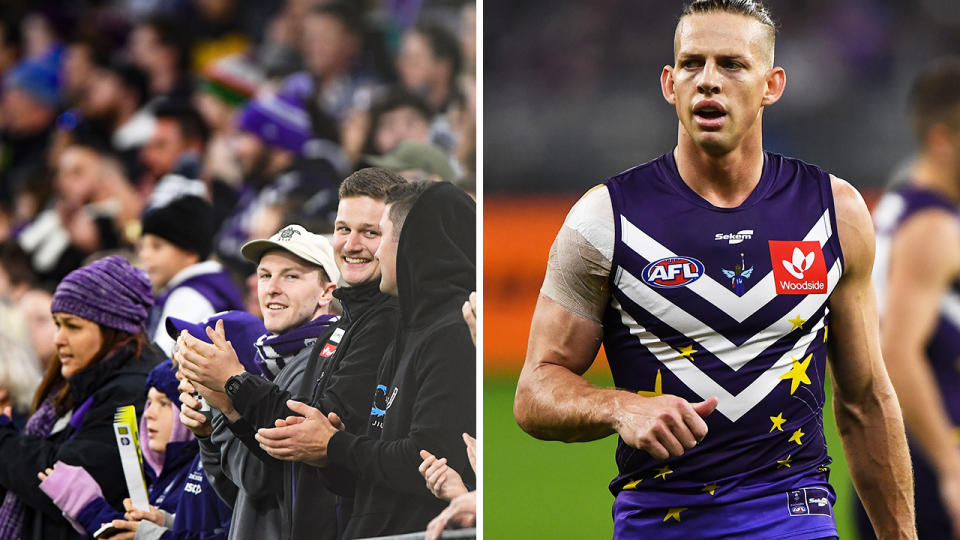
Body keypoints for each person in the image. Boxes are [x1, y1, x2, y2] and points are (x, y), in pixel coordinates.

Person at [512, 1, 914, 538]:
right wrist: (618, 408)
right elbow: (534, 392)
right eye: (691, 64)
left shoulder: (834, 212)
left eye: (731, 64)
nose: (707, 81)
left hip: (793, 511)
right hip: (660, 519)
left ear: (771, 84)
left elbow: (866, 400)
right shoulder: (604, 219)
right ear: (667, 83)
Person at [256, 181, 476, 538]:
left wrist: (336, 445)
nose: (375, 252)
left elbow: (428, 457)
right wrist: (335, 450)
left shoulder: (450, 333)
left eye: (381, 235)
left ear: (412, 246)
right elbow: (372, 466)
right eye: (343, 229)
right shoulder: (407, 332)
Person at [230, 167, 405, 540]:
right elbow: (275, 461)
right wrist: (224, 415)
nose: (351, 244)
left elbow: (309, 436)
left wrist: (231, 385)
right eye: (343, 229)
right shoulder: (349, 321)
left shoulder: (386, 321)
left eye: (369, 232)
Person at [176, 224, 341, 540]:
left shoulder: (321, 362)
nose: (272, 288)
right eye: (265, 275)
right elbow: (238, 495)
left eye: (290, 276)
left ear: (327, 292)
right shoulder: (267, 362)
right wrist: (207, 432)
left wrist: (227, 403)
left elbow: (258, 480)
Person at [858, 58, 960, 539]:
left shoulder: (900, 201)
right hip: (930, 454)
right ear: (941, 140)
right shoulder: (935, 228)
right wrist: (952, 466)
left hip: (892, 453)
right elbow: (897, 351)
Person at [0, 255, 162, 539]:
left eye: (73, 326)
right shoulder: (91, 377)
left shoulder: (135, 390)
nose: (58, 338)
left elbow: (60, 481)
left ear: (114, 330)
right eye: (57, 324)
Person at [37, 360, 197, 538]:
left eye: (165, 403)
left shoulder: (199, 478)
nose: (149, 413)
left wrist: (88, 506)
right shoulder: (155, 476)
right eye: (150, 402)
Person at [138, 195, 245, 357]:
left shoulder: (188, 296)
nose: (145, 255)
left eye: (157, 246)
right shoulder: (206, 287)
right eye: (142, 247)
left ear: (190, 254)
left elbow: (161, 361)